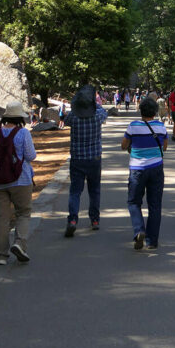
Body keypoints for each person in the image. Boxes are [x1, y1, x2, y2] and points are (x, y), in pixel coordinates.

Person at [0, 100, 36, 265]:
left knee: (1, 217)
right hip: (21, 180)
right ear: (20, 118)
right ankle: (19, 243)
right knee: (23, 212)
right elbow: (30, 156)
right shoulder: (23, 133)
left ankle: (0, 256)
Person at [121, 96, 168, 250]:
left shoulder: (133, 126)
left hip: (137, 169)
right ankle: (152, 241)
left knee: (134, 202)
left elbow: (123, 145)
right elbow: (165, 147)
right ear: (155, 111)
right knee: (155, 204)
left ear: (140, 111)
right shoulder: (161, 126)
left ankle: (139, 229)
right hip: (156, 168)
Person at [64, 84, 107, 237]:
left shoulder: (73, 117)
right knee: (94, 190)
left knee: (75, 191)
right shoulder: (97, 115)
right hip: (94, 157)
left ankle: (73, 220)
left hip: (77, 158)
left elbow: (65, 119)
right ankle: (94, 220)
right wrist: (93, 102)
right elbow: (104, 112)